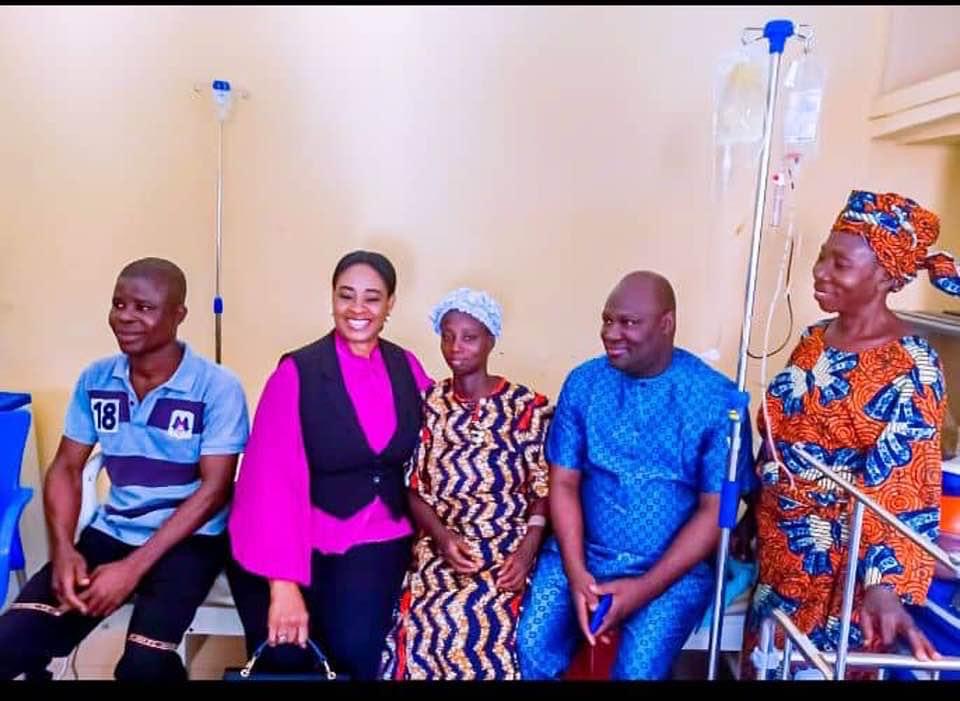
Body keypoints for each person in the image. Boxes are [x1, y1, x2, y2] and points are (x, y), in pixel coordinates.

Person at [735, 190, 956, 678]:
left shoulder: (912, 366)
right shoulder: (813, 339)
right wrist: (753, 512)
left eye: (841, 264)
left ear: (885, 277)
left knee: (816, 667)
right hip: (781, 552)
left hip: (844, 566)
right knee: (765, 662)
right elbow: (780, 436)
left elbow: (904, 483)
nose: (820, 272)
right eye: (822, 256)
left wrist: (883, 586)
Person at [0, 257, 250, 681]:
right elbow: (66, 468)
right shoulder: (97, 379)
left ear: (178, 315)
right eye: (119, 304)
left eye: (144, 307)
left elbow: (215, 490)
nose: (126, 317)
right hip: (113, 531)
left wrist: (133, 569)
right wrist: (64, 550)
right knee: (11, 641)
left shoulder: (216, 387)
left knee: (143, 667)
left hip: (189, 542)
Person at [516, 270, 752, 680]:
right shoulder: (584, 383)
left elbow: (716, 511)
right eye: (607, 320)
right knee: (532, 647)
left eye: (628, 322)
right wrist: (577, 574)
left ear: (666, 323)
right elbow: (564, 483)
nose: (611, 333)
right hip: (582, 555)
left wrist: (643, 589)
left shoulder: (716, 400)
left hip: (670, 570)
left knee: (637, 671)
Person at [227, 250, 432, 680]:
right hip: (304, 539)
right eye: (346, 295)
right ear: (332, 297)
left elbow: (442, 441)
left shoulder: (407, 366)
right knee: (290, 659)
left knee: (358, 656)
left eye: (372, 298)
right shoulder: (297, 372)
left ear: (390, 304)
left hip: (384, 539)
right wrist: (283, 584)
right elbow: (269, 482)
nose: (358, 309)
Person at [380, 288, 552, 680]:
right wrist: (442, 539)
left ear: (491, 339)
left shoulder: (528, 408)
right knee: (416, 630)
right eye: (448, 336)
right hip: (441, 548)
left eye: (469, 337)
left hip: (507, 550)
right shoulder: (428, 404)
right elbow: (412, 487)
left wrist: (526, 552)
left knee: (496, 632)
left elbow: (544, 490)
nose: (456, 347)